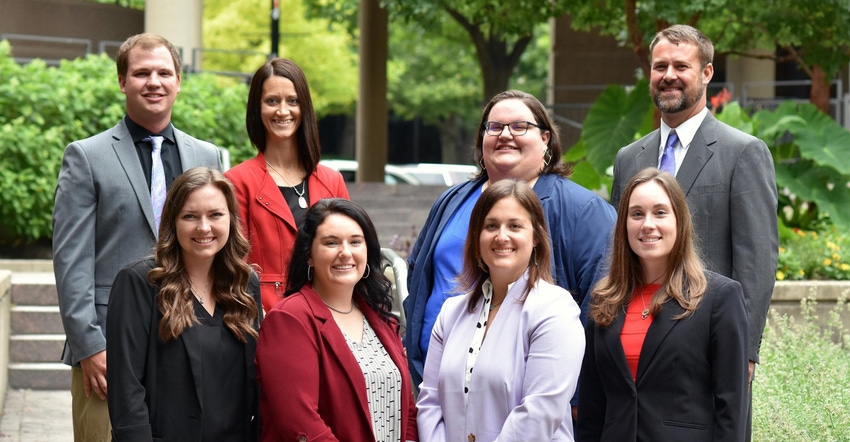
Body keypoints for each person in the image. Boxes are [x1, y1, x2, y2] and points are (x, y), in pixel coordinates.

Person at [609, 24, 778, 439]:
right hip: (634, 348)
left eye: (681, 65)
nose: (668, 74)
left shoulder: (743, 153)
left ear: (706, 73)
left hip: (707, 346)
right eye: (659, 65)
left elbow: (757, 261)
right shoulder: (630, 157)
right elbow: (616, 252)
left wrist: (745, 352)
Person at [52, 33, 222, 441]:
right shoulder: (87, 156)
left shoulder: (207, 156)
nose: (154, 82)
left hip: (189, 336)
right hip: (109, 344)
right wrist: (88, 346)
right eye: (141, 73)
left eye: (164, 72)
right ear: (122, 81)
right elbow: (70, 260)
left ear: (178, 81)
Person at [405, 89, 616, 387]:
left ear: (545, 139)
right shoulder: (451, 201)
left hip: (528, 396)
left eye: (519, 126)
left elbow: (602, 301)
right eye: (494, 127)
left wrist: (577, 396)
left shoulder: (583, 212)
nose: (505, 134)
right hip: (436, 385)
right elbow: (418, 275)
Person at [578, 168, 748, 441]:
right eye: (637, 214)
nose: (647, 224)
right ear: (624, 225)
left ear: (679, 220)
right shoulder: (604, 300)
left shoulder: (719, 298)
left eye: (660, 212)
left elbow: (733, 406)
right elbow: (592, 406)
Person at [417, 179, 585, 441]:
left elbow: (539, 413)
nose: (501, 236)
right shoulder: (451, 313)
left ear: (536, 238)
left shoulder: (555, 310)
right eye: (491, 226)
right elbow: (430, 402)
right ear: (477, 237)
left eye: (515, 226)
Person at [106, 167, 262, 441]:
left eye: (215, 215)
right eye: (190, 216)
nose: (204, 227)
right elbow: (126, 389)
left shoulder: (245, 284)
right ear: (172, 222)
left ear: (231, 219)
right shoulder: (141, 283)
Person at [255, 198, 418, 441]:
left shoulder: (384, 321)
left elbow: (408, 413)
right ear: (309, 255)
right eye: (331, 243)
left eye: (355, 242)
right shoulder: (290, 319)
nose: (345, 252)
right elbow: (299, 422)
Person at [225, 58, 349, 312]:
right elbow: (232, 265)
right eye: (272, 101)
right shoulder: (238, 182)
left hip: (329, 313)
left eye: (292, 101)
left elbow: (351, 250)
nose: (283, 111)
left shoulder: (332, 180)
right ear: (257, 109)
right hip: (266, 317)